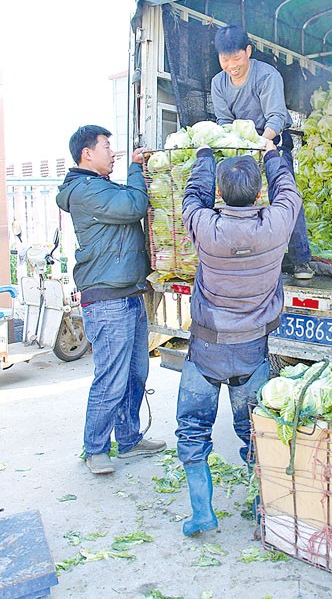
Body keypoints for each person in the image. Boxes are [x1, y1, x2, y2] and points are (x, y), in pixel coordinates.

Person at [176, 140, 302, 536]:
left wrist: (203, 158)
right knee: (254, 431)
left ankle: (201, 513)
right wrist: (272, 156)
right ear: (259, 193)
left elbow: (191, 197)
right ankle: (261, 508)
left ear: (219, 193)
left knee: (192, 429)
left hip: (206, 349)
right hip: (252, 351)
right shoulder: (276, 225)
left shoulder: (206, 228)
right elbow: (290, 191)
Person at [56, 125, 166, 475]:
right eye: (107, 146)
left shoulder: (99, 186)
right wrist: (137, 168)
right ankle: (96, 448)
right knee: (111, 377)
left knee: (136, 372)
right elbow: (134, 205)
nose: (112, 152)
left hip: (128, 292)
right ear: (87, 153)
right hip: (106, 299)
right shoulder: (83, 191)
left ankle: (130, 439)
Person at [211, 24, 314, 280]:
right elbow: (224, 121)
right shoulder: (218, 83)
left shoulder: (267, 75)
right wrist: (238, 147)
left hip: (271, 141)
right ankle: (258, 260)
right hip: (239, 144)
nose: (231, 64)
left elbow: (276, 117)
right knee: (243, 200)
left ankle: (301, 260)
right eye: (225, 59)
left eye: (236, 57)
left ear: (248, 51)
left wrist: (260, 145)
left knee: (285, 195)